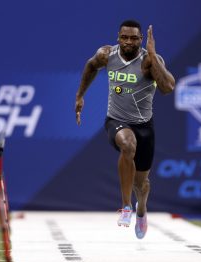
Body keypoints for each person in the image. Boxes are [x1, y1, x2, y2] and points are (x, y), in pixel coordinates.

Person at [75, 20, 175, 239]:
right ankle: (126, 206)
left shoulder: (150, 60)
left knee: (142, 184)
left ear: (141, 40)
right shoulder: (106, 54)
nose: (128, 42)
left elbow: (168, 88)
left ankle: (141, 209)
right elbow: (91, 66)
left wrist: (152, 53)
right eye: (124, 37)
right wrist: (80, 95)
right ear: (118, 37)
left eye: (134, 38)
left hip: (144, 127)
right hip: (116, 120)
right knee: (128, 145)